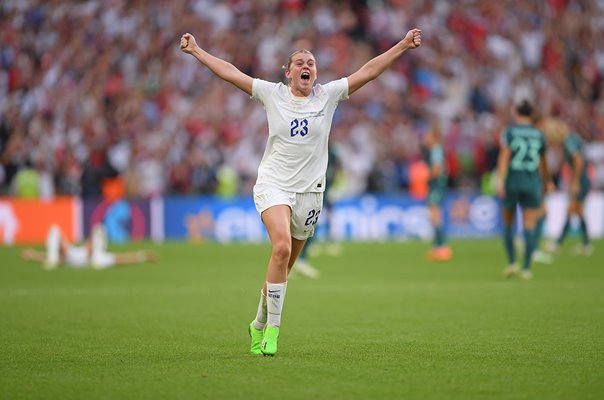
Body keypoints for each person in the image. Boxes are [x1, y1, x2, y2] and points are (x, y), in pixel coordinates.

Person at [179, 28, 421, 356]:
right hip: (273, 185)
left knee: (282, 269)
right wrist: (197, 51)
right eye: (300, 62)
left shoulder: (329, 95)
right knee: (279, 249)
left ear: (315, 72)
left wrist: (404, 45)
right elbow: (231, 73)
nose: (307, 65)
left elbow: (370, 70)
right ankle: (273, 333)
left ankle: (257, 324)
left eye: (311, 62)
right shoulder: (272, 94)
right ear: (288, 72)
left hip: (310, 194)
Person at [496, 100, 550, 280]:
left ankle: (512, 263)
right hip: (532, 182)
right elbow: (543, 162)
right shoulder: (539, 134)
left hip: (512, 181)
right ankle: (526, 268)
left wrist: (500, 180)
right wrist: (547, 181)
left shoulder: (510, 131)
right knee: (530, 225)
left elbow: (505, 156)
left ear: (517, 113)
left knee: (508, 222)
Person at [546, 120, 593, 255]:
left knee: (571, 210)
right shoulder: (573, 138)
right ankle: (586, 244)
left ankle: (558, 243)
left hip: (581, 180)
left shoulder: (569, 142)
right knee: (578, 211)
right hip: (583, 179)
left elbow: (578, 160)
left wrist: (576, 181)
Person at [21, 224, 158, 270]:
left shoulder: (99, 258)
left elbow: (122, 259)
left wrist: (144, 256)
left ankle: (51, 261)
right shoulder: (75, 253)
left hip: (89, 257)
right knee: (99, 228)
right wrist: (33, 255)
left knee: (99, 228)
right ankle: (51, 261)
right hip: (78, 255)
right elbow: (122, 259)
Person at [422, 120, 452, 261]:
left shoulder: (435, 150)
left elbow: (437, 168)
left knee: (435, 216)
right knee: (434, 216)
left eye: (427, 136)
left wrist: (426, 177)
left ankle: (442, 248)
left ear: (433, 137)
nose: (424, 138)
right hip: (437, 185)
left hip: (436, 186)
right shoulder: (436, 149)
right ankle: (438, 247)